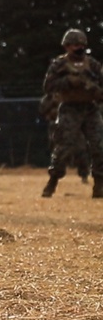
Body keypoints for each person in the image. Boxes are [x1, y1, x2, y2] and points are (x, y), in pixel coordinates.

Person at [41, 29, 103, 198]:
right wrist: (68, 81)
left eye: (82, 45)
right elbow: (48, 86)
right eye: (75, 45)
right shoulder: (59, 64)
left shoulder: (93, 65)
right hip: (69, 108)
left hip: (90, 109)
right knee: (64, 147)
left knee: (99, 146)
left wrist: (95, 90)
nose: (79, 48)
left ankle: (99, 184)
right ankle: (52, 181)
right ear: (67, 46)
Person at [39, 92, 90, 184]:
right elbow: (44, 111)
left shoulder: (69, 96)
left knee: (81, 148)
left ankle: (84, 174)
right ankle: (55, 174)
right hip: (56, 125)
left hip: (73, 124)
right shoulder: (48, 99)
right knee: (58, 149)